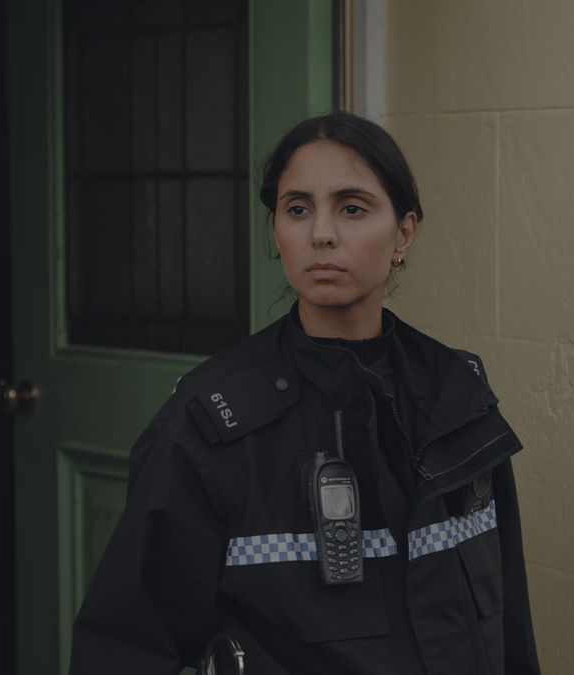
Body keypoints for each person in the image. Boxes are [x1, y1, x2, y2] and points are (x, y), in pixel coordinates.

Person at [69, 112, 540, 675]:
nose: (321, 233)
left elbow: (509, 622)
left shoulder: (457, 400)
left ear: (404, 232)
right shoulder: (208, 425)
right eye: (297, 209)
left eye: (352, 208)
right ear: (277, 231)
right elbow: (127, 645)